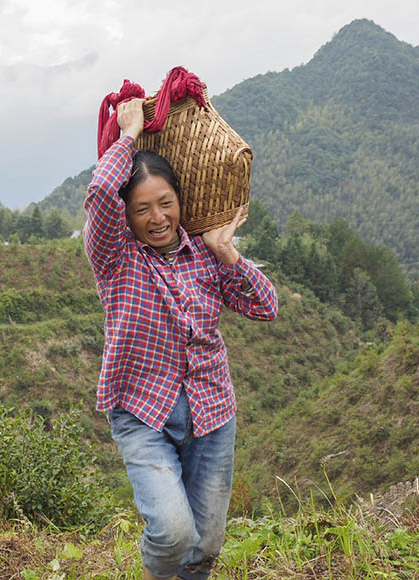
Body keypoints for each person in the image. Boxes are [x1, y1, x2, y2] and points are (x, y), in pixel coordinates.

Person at [83, 98, 278, 580]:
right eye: (142, 208)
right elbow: (100, 193)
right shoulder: (115, 258)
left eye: (165, 203)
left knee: (205, 544)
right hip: (143, 411)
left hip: (212, 411)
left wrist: (228, 252)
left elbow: (265, 306)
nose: (157, 217)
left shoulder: (206, 254)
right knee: (172, 534)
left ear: (180, 201)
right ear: (125, 215)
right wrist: (127, 135)